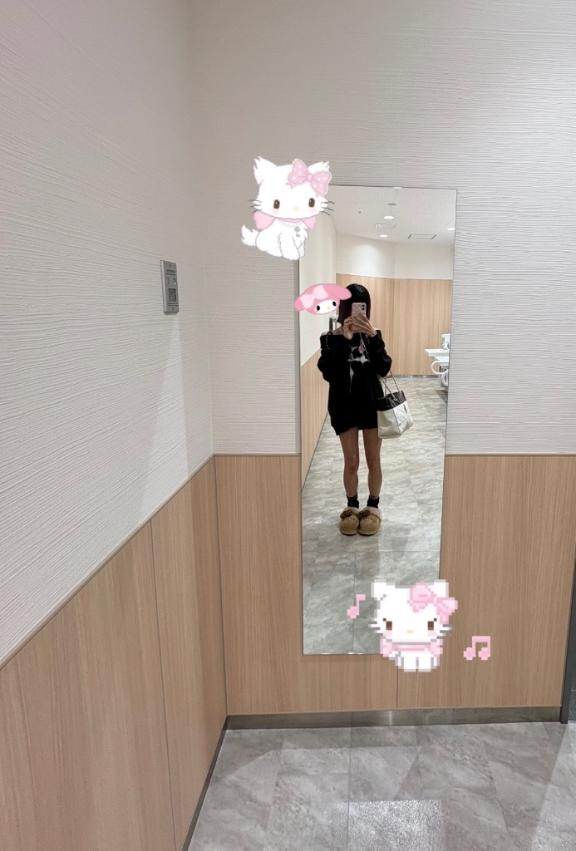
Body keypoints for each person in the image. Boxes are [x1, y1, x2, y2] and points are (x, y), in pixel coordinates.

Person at [317, 283, 392, 536]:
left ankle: (373, 506)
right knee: (351, 462)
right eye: (352, 306)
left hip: (371, 405)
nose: (358, 312)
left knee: (373, 460)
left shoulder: (373, 335)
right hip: (343, 407)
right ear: (344, 308)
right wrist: (345, 340)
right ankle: (351, 505)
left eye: (362, 307)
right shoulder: (330, 338)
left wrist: (372, 337)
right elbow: (329, 373)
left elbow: (384, 368)